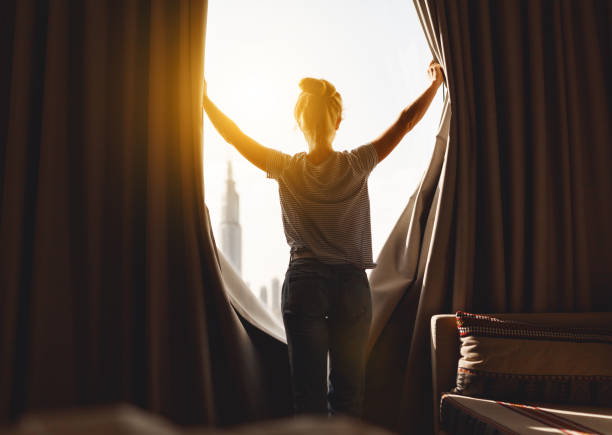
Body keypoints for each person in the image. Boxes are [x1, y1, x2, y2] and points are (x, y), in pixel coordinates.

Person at [202, 60, 444, 419]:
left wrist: (205, 101)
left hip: (304, 284)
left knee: (308, 403)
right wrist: (435, 83)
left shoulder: (284, 167)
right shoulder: (357, 163)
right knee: (347, 401)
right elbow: (406, 121)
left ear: (299, 122)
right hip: (350, 285)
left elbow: (235, 136)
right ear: (337, 122)